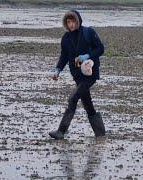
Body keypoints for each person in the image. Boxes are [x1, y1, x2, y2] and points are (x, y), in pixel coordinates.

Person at [49, 10, 105, 140]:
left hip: (90, 74)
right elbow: (64, 56)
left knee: (73, 98)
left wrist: (87, 55)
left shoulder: (88, 32)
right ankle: (100, 134)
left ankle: (61, 131)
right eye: (68, 22)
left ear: (78, 21)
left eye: (73, 21)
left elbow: (100, 48)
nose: (71, 24)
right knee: (87, 104)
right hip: (77, 76)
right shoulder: (66, 38)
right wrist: (57, 70)